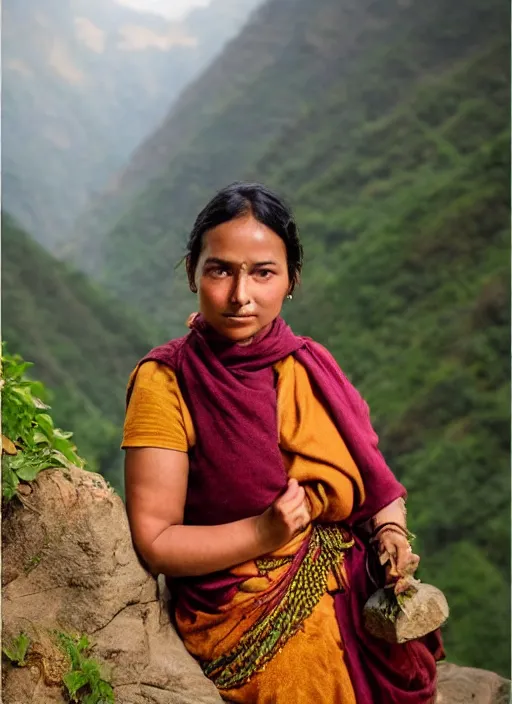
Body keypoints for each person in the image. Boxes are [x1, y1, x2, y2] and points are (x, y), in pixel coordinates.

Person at [122, 182, 443, 703]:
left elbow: (373, 480)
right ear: (191, 273)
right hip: (236, 606)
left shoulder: (309, 365)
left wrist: (390, 533)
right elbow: (155, 542)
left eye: (263, 272)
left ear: (292, 278)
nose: (240, 295)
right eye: (220, 269)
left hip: (341, 568)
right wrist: (262, 532)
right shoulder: (167, 380)